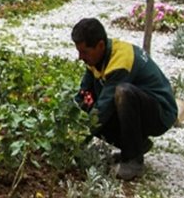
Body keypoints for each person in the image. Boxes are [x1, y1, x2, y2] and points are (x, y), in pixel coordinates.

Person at [72, 18, 177, 180]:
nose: (80, 57)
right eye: (79, 51)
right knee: (89, 103)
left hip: (160, 113)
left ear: (100, 45)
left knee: (122, 93)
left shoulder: (121, 60)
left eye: (84, 52)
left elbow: (102, 111)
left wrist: (76, 141)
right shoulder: (95, 58)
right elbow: (82, 96)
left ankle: (133, 161)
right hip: (139, 108)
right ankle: (137, 145)